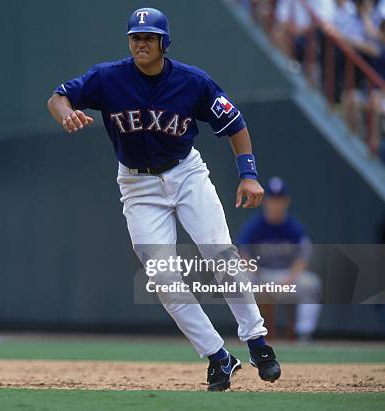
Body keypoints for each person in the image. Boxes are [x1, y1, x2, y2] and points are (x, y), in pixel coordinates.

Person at [47, 7, 280, 391]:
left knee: (219, 253)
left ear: (163, 43)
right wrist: (65, 113)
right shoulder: (109, 78)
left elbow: (234, 124)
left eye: (148, 37)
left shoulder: (192, 81)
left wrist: (249, 175)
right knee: (161, 276)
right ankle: (219, 358)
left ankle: (257, 340)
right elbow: (58, 96)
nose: (140, 43)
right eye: (135, 37)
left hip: (185, 173)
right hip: (137, 185)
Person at [238, 177, 322, 341]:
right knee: (240, 280)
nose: (276, 204)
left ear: (286, 202)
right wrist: (258, 277)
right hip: (262, 276)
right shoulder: (254, 225)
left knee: (312, 284)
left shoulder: (294, 227)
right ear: (265, 201)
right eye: (272, 200)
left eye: (280, 200)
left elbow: (303, 258)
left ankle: (303, 334)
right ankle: (250, 333)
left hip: (286, 277)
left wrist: (288, 281)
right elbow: (243, 255)